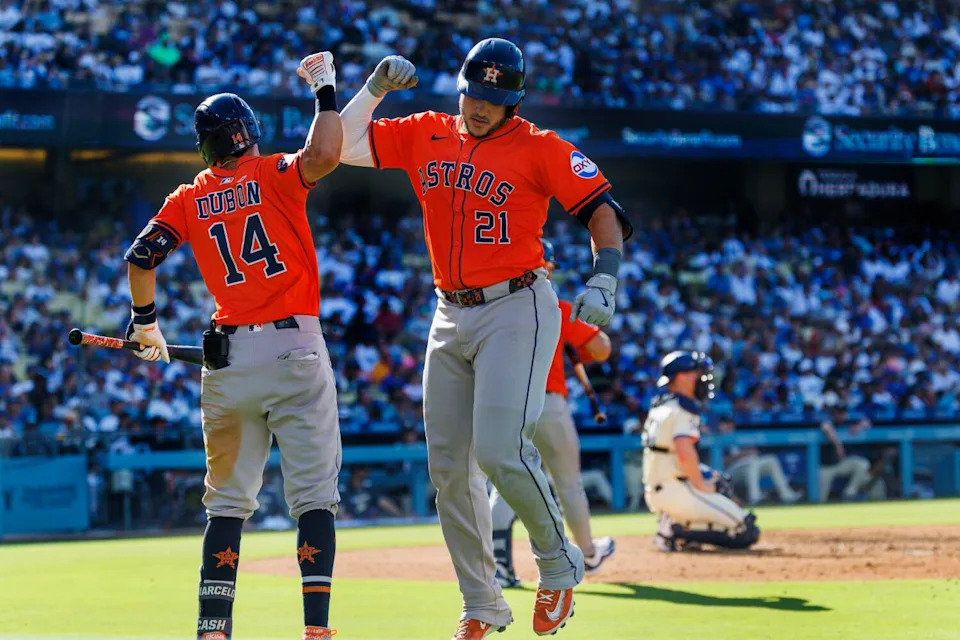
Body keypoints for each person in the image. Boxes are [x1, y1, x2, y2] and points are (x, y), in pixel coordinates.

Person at [338, 39, 632, 639]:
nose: (480, 106)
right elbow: (339, 146)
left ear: (514, 102)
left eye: (494, 99)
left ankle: (558, 561)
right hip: (449, 312)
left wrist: (605, 276)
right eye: (475, 93)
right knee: (448, 468)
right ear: (460, 87)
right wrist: (372, 91)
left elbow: (603, 208)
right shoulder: (425, 131)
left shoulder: (540, 146)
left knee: (499, 451)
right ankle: (483, 603)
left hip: (517, 305)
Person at [122, 52, 343, 640]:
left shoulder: (189, 196)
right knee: (314, 498)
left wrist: (146, 324)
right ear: (249, 135)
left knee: (226, 507)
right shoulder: (273, 173)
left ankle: (213, 629)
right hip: (295, 347)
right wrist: (323, 90)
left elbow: (140, 259)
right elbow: (323, 154)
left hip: (228, 359)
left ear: (206, 145)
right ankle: (316, 630)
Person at [489, 239, 616, 589]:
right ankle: (589, 552)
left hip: (502, 402)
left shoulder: (492, 308)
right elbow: (602, 347)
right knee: (568, 482)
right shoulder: (554, 307)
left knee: (507, 482)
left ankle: (498, 566)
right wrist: (577, 348)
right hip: (548, 403)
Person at [642, 351, 760, 551]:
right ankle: (674, 530)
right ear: (682, 377)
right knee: (745, 531)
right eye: (696, 373)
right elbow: (683, 452)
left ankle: (680, 527)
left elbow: (672, 456)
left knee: (715, 480)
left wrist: (704, 474)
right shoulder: (681, 409)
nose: (702, 378)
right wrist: (701, 483)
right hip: (675, 490)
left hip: (661, 488)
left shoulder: (660, 405)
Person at [718, 416, 802, 505]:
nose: (730, 426)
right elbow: (722, 462)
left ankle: (787, 495)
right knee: (752, 462)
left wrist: (750, 451)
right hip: (730, 473)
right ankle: (754, 497)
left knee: (771, 460)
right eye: (726, 425)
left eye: (731, 424)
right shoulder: (718, 438)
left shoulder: (739, 436)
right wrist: (740, 455)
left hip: (747, 468)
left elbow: (751, 450)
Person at [819, 411, 883, 502]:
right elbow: (826, 427)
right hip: (826, 466)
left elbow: (867, 423)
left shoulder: (850, 420)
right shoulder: (828, 420)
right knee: (819, 498)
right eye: (837, 411)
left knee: (862, 464)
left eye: (842, 412)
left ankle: (849, 493)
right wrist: (838, 445)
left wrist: (858, 427)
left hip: (843, 463)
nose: (840, 415)